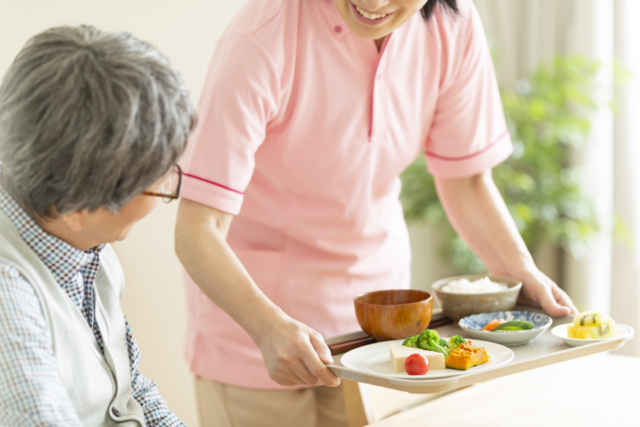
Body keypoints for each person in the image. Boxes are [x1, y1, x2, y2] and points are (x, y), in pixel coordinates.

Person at [174, 1, 578, 426]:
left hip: (379, 331)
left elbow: (466, 181)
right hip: (255, 327)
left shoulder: (451, 25)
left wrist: (519, 271)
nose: (373, 2)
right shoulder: (263, 36)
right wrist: (267, 328)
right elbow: (197, 231)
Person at [0, 25, 196, 426]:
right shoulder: (8, 297)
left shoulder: (78, 237)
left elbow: (128, 387)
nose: (169, 187)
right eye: (157, 183)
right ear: (78, 204)